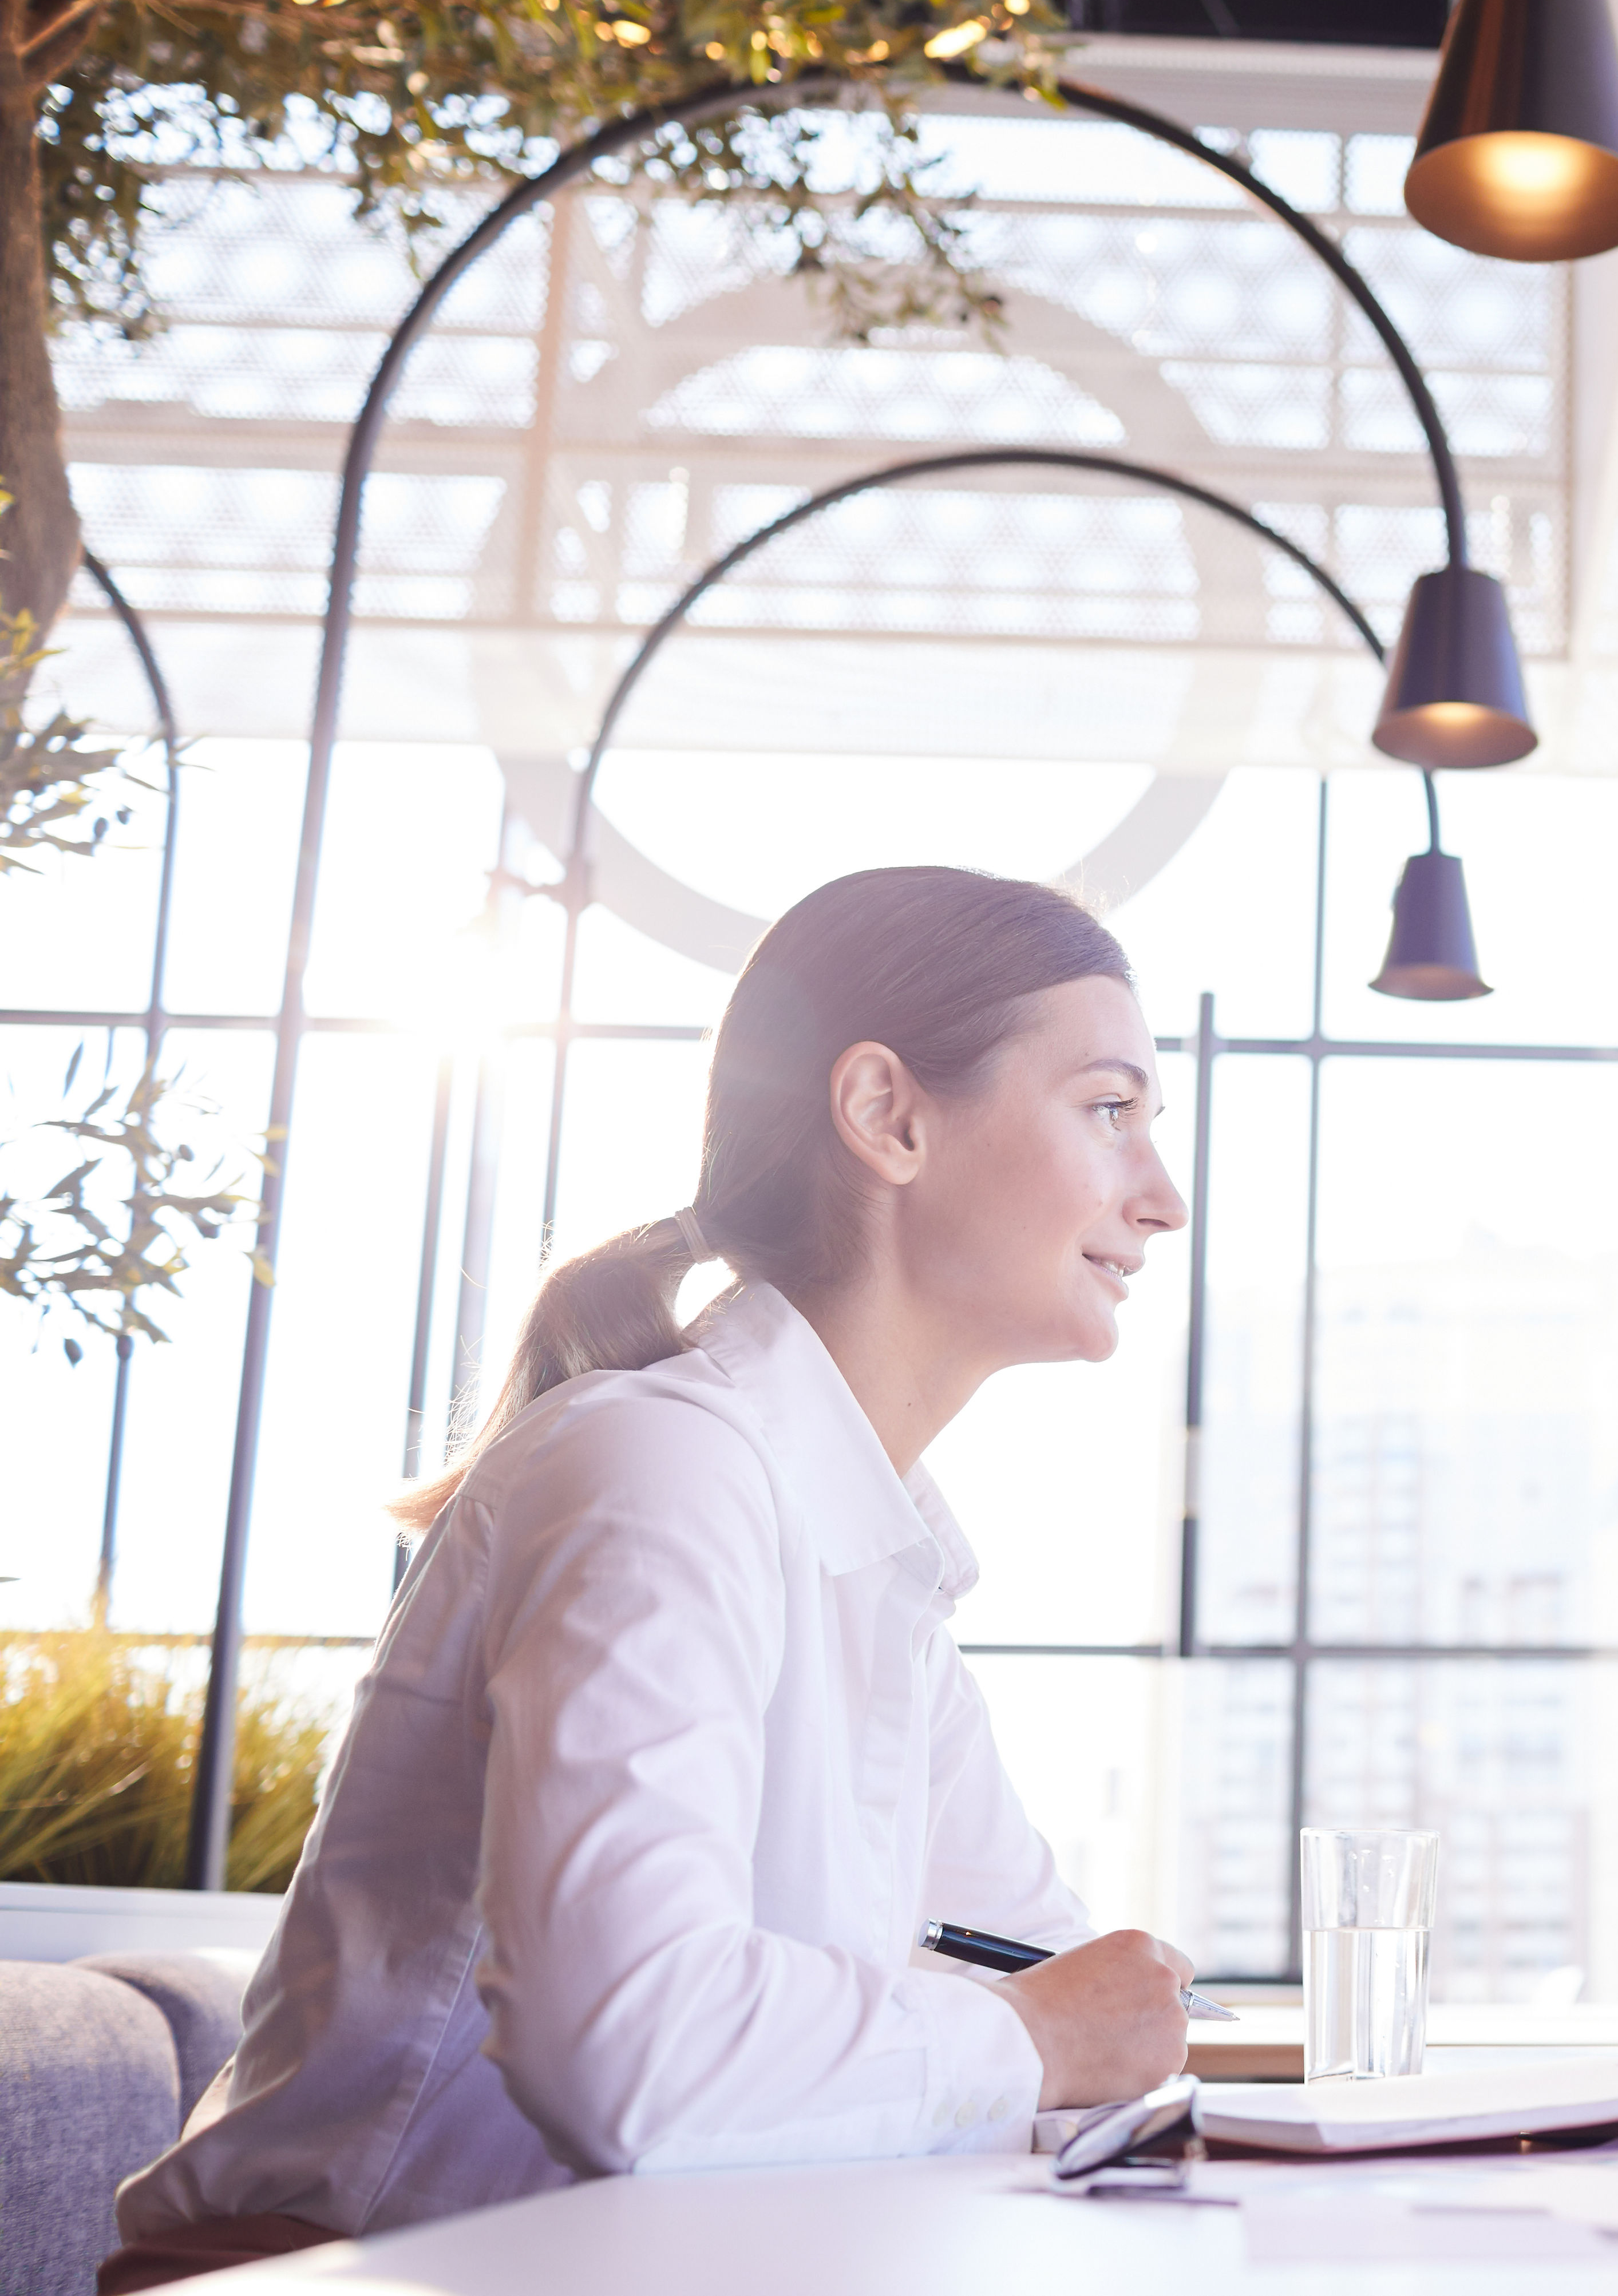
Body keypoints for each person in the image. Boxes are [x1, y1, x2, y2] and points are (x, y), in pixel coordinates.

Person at [110, 867, 1203, 2287]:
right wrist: (1043, 2035)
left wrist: (1083, 2035)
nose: (1160, 1197)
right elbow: (636, 2047)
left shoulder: (877, 1561)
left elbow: (1045, 1973)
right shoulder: (657, 1469)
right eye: (1109, 1110)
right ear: (888, 1114)